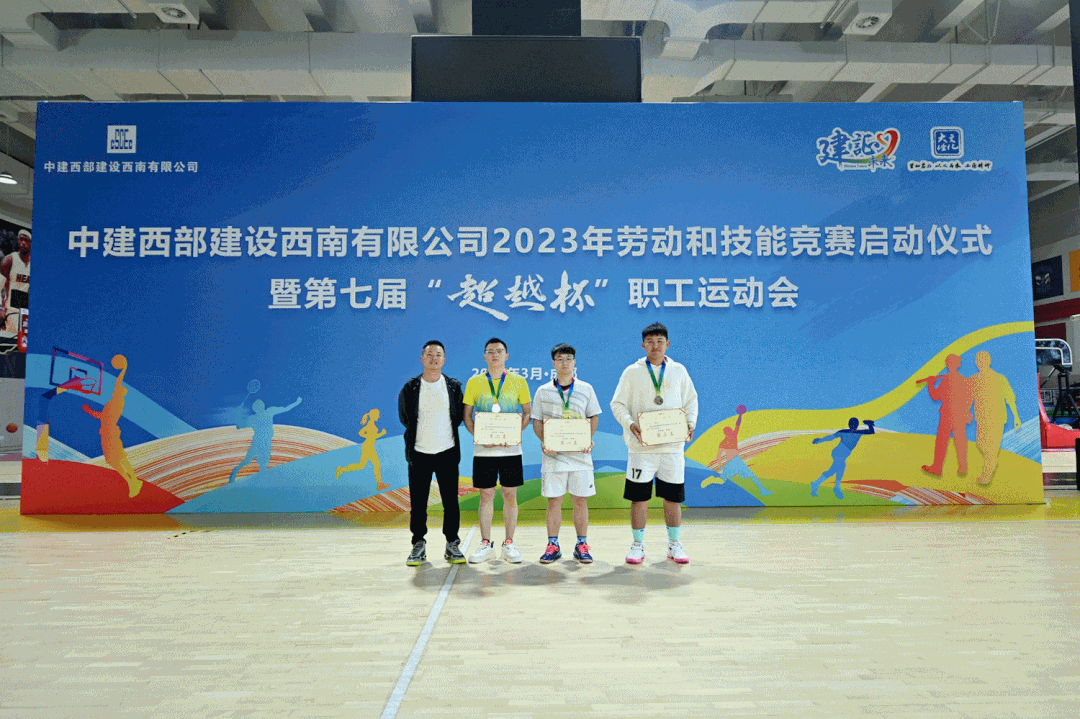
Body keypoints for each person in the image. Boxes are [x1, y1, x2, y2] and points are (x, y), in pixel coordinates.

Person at [610, 323, 698, 565]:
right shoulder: (632, 372)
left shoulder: (679, 370)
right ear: (643, 345)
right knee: (639, 498)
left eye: (660, 341)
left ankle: (674, 543)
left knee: (673, 498)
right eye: (650, 341)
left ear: (667, 344)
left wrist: (690, 423)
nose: (655, 346)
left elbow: (691, 400)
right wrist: (630, 424)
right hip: (641, 449)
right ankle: (637, 545)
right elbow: (617, 404)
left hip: (672, 448)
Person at [531, 343, 602, 564]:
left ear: (574, 362)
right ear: (553, 363)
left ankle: (582, 544)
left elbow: (593, 416)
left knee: (580, 500)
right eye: (560, 359)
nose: (565, 363)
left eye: (569, 359)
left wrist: (587, 439)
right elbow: (537, 421)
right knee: (554, 501)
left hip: (581, 456)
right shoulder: (543, 391)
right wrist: (545, 442)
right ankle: (553, 545)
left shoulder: (586, 388)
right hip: (553, 457)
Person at [463, 337, 532, 563]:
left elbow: (528, 413)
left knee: (510, 495)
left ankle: (509, 543)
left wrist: (513, 434)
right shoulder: (474, 382)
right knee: (486, 495)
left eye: (499, 351)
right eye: (491, 351)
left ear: (506, 356)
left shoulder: (519, 381)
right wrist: (480, 436)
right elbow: (467, 416)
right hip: (484, 451)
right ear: (485, 356)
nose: (495, 355)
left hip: (511, 450)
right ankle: (486, 544)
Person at [397, 340, 466, 566]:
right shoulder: (411, 387)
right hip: (419, 453)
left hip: (447, 452)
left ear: (444, 360)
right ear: (422, 359)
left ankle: (452, 543)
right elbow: (405, 417)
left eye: (438, 355)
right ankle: (418, 543)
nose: (434, 358)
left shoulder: (454, 387)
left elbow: (458, 417)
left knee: (451, 502)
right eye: (429, 354)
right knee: (418, 503)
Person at [81, 354, 141, 498]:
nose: (116, 389)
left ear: (121, 392)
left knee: (116, 459)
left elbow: (118, 382)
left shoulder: (118, 401)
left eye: (118, 389)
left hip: (110, 432)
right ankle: (134, 481)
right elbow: (101, 415)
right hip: (107, 432)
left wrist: (124, 369)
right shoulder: (112, 404)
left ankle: (132, 482)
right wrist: (89, 411)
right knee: (116, 459)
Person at [969, 351, 1020, 486]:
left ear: (989, 361)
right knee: (981, 443)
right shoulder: (973, 379)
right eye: (978, 360)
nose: (980, 362)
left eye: (983, 359)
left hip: (997, 418)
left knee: (992, 447)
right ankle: (992, 461)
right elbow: (968, 398)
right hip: (981, 418)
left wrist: (1016, 417)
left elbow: (1010, 398)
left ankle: (987, 473)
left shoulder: (1000, 378)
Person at [227, 394, 302, 484]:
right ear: (256, 408)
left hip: (263, 442)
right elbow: (239, 426)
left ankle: (255, 480)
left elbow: (239, 425)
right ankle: (236, 472)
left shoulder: (261, 415)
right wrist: (238, 414)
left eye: (260, 404)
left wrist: (238, 414)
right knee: (252, 462)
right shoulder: (259, 416)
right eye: (259, 405)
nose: (261, 406)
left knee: (259, 463)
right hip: (260, 442)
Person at [920, 354, 973, 476]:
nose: (949, 364)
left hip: (954, 414)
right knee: (946, 440)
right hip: (950, 414)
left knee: (956, 440)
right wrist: (931, 384)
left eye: (951, 362)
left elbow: (969, 398)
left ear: (957, 364)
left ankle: (960, 467)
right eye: (948, 362)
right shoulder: (949, 381)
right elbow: (936, 396)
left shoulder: (960, 381)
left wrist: (930, 384)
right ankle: (940, 467)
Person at [810, 418, 875, 499]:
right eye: (853, 424)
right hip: (838, 453)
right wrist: (818, 441)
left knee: (839, 468)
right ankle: (831, 486)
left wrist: (869, 424)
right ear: (851, 425)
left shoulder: (857, 432)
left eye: (855, 424)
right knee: (836, 469)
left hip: (841, 454)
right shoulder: (850, 432)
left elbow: (871, 431)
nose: (854, 425)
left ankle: (820, 484)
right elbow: (830, 437)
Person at [0, 228, 30, 337]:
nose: (22, 243)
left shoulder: (35, 264)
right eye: (20, 239)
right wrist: (0, 308)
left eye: (26, 240)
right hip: (10, 311)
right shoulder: (9, 260)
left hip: (26, 313)